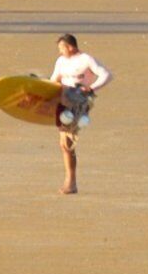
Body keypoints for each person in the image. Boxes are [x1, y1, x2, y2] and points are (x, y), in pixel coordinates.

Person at [43, 34, 105, 194]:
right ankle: (71, 183)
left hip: (78, 102)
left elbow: (106, 75)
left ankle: (71, 183)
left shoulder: (86, 59)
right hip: (63, 100)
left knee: (67, 144)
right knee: (64, 144)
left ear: (70, 46)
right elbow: (54, 80)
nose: (60, 51)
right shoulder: (61, 61)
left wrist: (92, 88)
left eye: (62, 48)